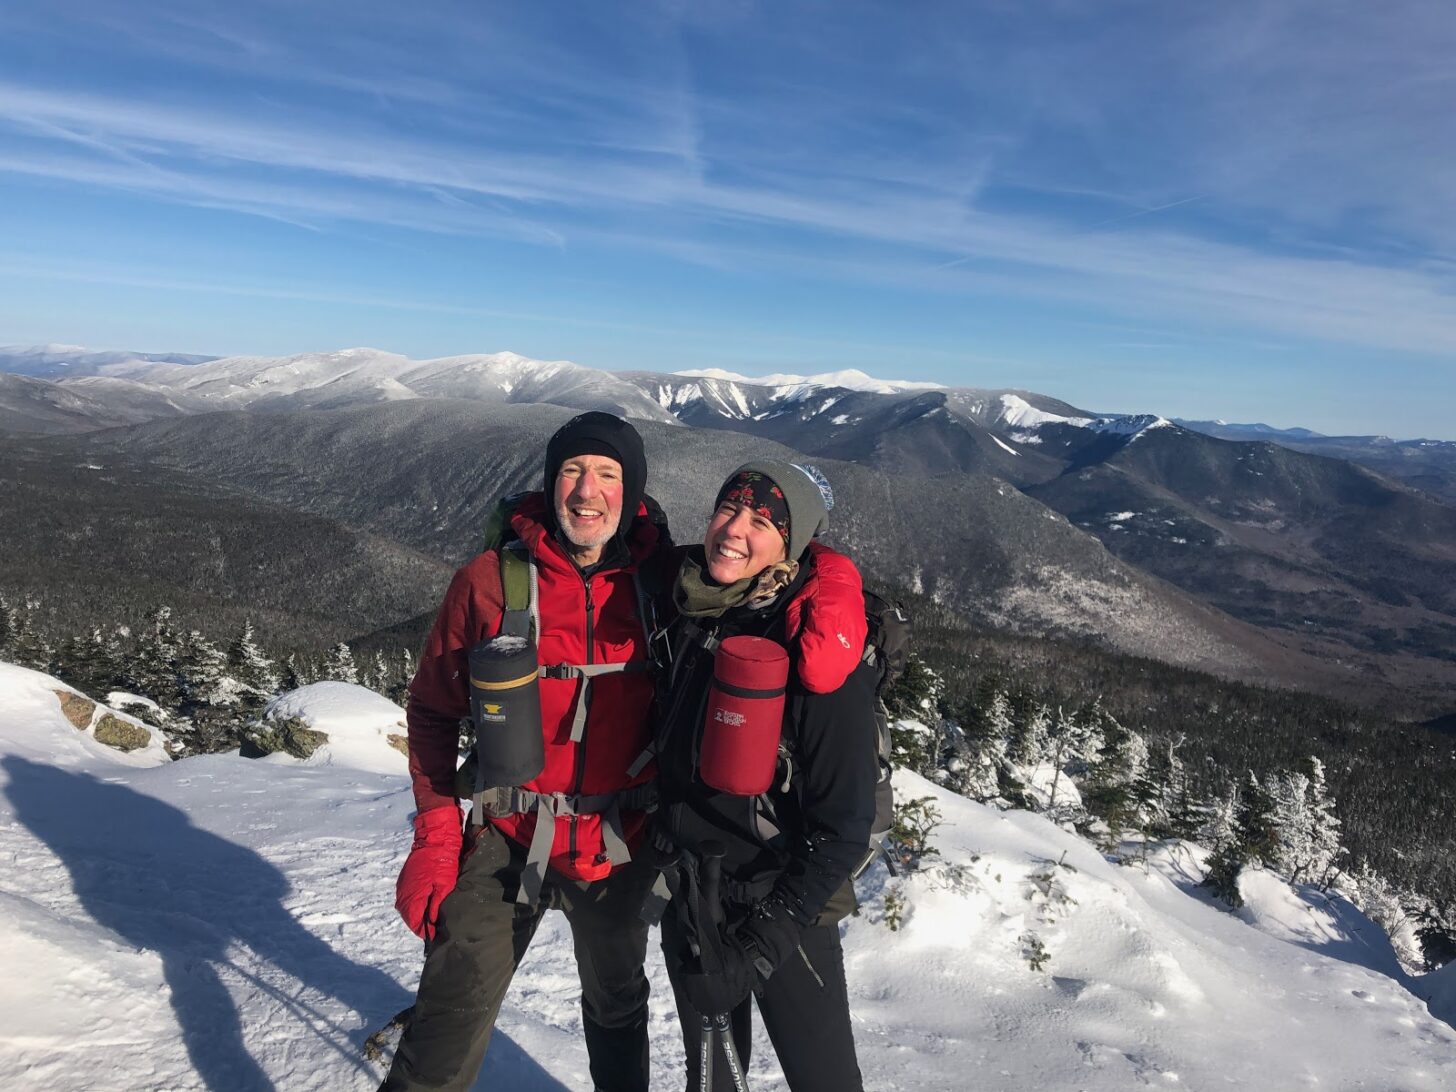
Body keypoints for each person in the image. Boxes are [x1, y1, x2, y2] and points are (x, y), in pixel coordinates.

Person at [383, 412, 668, 1092]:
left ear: (632, 493)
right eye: (572, 471)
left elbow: (765, 569)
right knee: (447, 1018)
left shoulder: (663, 587)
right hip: (507, 831)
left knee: (618, 1005)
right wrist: (436, 834)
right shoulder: (488, 582)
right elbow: (431, 711)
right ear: (550, 481)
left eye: (607, 474)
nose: (586, 492)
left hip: (616, 840)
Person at [651, 460, 878, 1092]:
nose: (733, 530)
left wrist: (759, 945)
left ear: (790, 542)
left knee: (824, 1079)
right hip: (693, 894)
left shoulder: (814, 654)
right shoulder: (695, 607)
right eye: (728, 508)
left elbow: (845, 827)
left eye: (760, 521)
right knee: (712, 1081)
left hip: (783, 906)